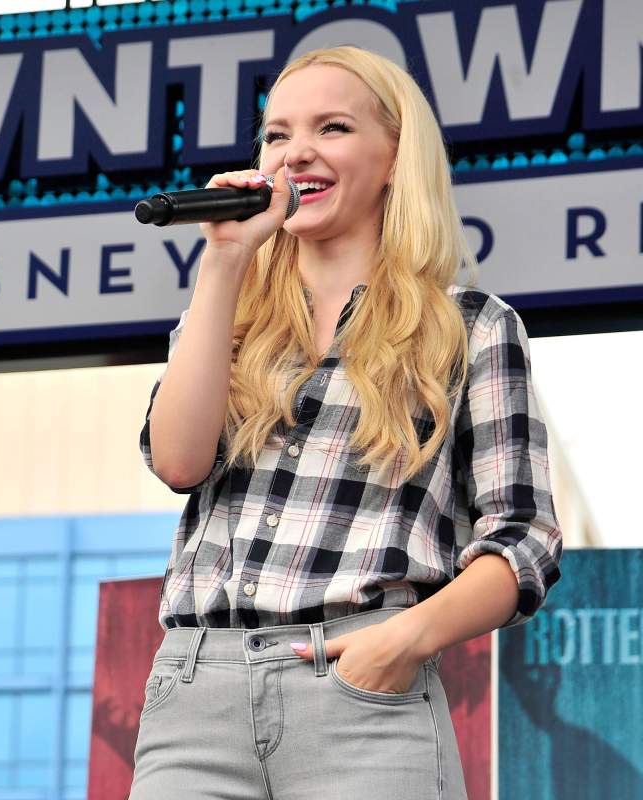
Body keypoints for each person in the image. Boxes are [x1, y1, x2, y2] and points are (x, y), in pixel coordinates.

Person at [129, 46, 561, 800]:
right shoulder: (224, 317)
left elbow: (523, 539)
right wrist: (225, 262)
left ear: (395, 156)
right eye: (276, 135)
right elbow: (177, 461)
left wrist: (402, 640)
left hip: (361, 690)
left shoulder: (470, 327)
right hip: (196, 691)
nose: (297, 151)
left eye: (332, 128)